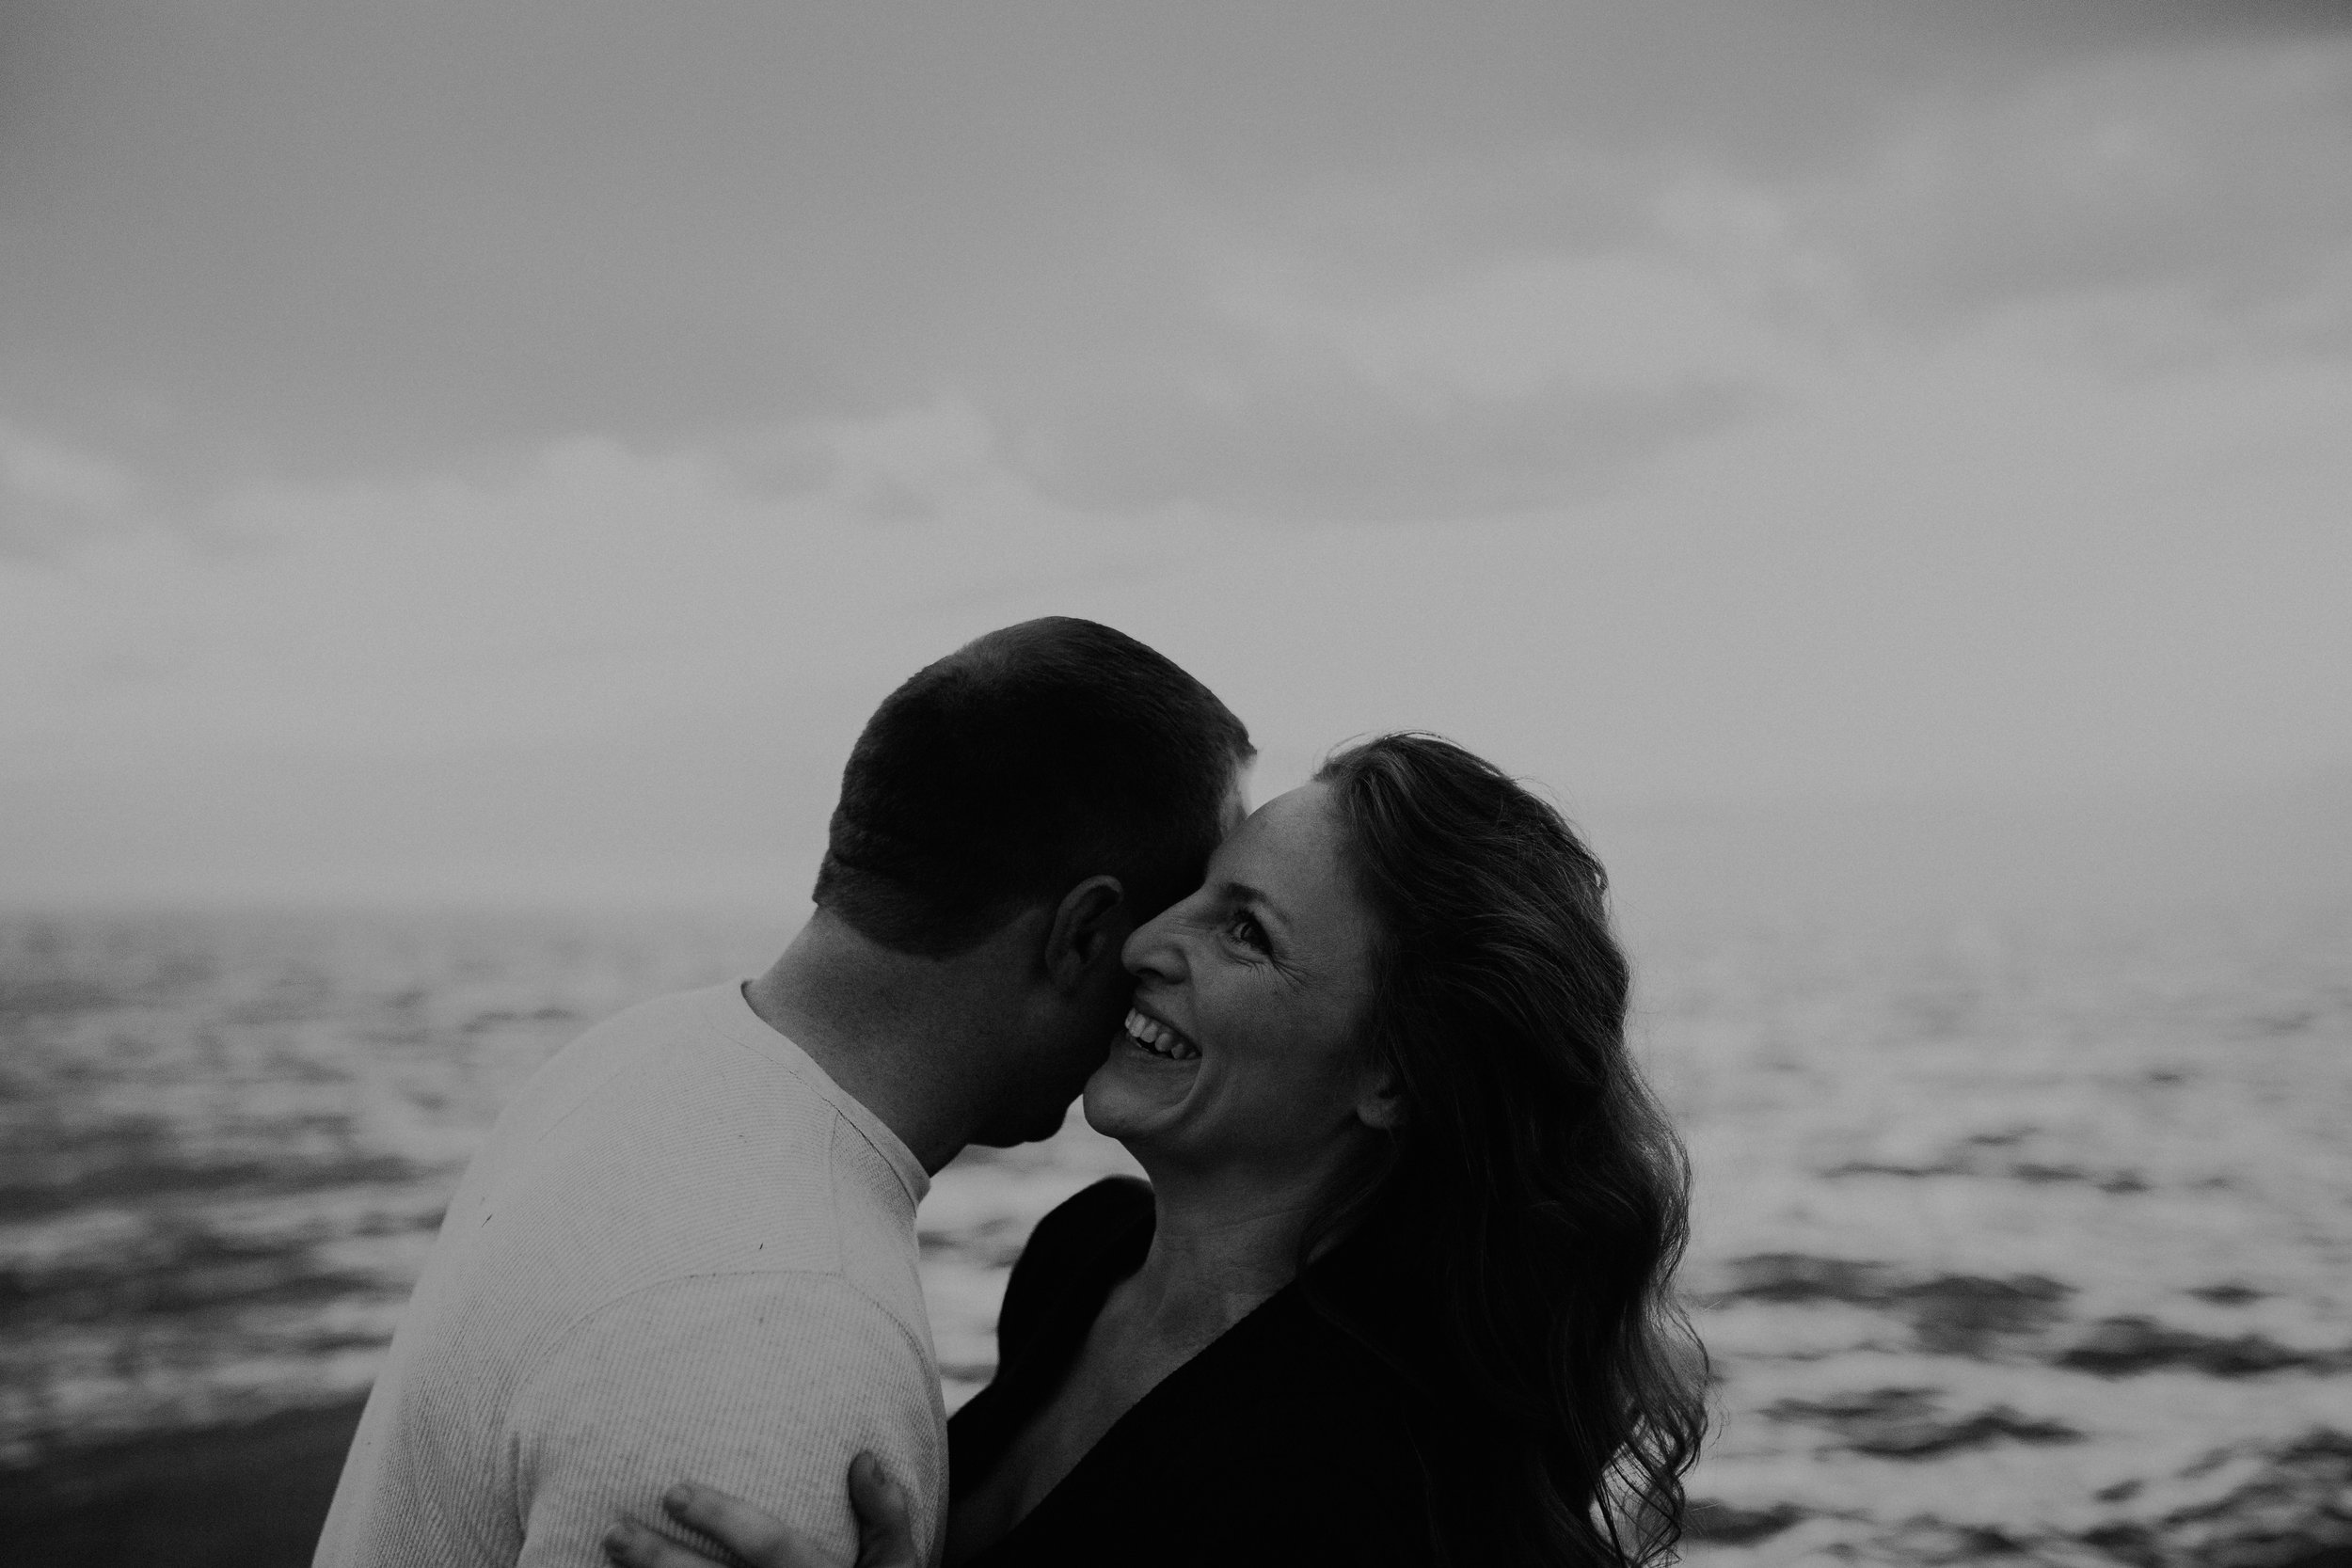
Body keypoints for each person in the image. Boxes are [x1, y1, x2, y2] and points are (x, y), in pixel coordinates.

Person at [606, 733, 1708, 1568]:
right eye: (1196, 893)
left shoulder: (1387, 1477)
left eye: (1244, 931)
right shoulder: (1081, 1257)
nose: (1142, 941)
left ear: (1393, 1074)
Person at [313, 618, 1253, 1568]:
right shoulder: (787, 1350)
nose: (1162, 971)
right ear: (1086, 933)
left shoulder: (633, 1054)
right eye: (1169, 919)